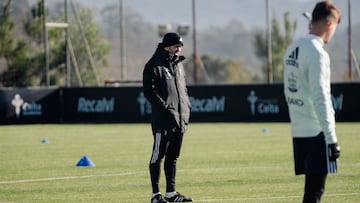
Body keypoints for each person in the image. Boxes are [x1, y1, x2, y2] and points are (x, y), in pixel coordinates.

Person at [283, 1, 341, 202]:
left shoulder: (293, 47)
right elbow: (321, 97)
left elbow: (288, 90)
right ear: (329, 25)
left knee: (311, 192)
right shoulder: (317, 53)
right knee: (315, 193)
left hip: (299, 130)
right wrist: (331, 137)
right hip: (317, 132)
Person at [143, 32, 192, 203]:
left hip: (180, 118)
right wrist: (165, 108)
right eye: (176, 46)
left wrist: (186, 107)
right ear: (167, 46)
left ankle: (171, 193)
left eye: (180, 46)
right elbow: (149, 92)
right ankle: (156, 195)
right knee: (158, 156)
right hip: (163, 119)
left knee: (173, 157)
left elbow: (182, 89)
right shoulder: (154, 64)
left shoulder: (178, 64)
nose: (179, 49)